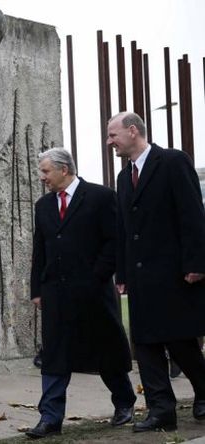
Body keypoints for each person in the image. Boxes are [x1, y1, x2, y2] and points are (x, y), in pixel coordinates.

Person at [26, 148, 136, 439]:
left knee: (106, 350)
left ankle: (124, 402)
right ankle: (50, 418)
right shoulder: (43, 205)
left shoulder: (100, 197)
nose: (42, 177)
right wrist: (37, 289)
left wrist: (95, 277)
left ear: (64, 169)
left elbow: (113, 242)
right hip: (56, 293)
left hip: (93, 292)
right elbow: (40, 249)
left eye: (46, 171)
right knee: (54, 354)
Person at [109, 112, 205, 432]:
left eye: (113, 135)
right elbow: (124, 229)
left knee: (180, 341)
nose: (110, 142)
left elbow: (192, 214)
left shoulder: (173, 162)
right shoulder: (124, 177)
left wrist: (196, 264)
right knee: (146, 344)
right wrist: (122, 273)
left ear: (132, 131)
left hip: (174, 273)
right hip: (140, 278)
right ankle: (161, 410)